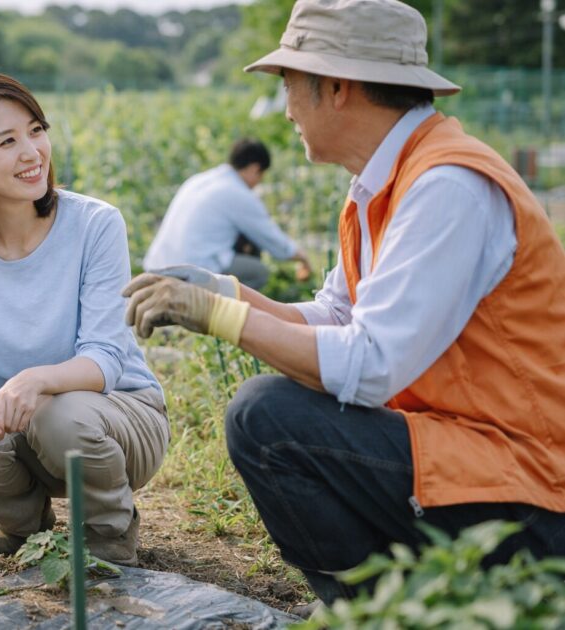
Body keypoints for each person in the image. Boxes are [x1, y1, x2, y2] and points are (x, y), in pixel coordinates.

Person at [123, 0, 565, 604]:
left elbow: (371, 363)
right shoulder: (387, 183)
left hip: (529, 488)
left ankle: (382, 610)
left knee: (266, 419)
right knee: (275, 410)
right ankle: (408, 597)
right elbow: (336, 317)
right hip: (469, 454)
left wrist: (223, 319)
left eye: (288, 85)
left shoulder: (446, 188)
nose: (284, 108)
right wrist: (225, 292)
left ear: (335, 87)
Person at [0, 71, 168, 566]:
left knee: (58, 412)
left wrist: (35, 381)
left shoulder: (94, 224)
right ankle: (26, 526)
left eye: (37, 130)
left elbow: (106, 358)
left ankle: (109, 533)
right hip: (20, 426)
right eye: (7, 141)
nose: (32, 152)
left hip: (117, 420)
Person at [143, 138, 312, 289]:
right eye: (261, 176)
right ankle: (214, 316)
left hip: (157, 266)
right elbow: (272, 240)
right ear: (255, 169)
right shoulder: (237, 193)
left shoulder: (200, 180)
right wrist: (302, 257)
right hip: (190, 272)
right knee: (258, 272)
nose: (259, 182)